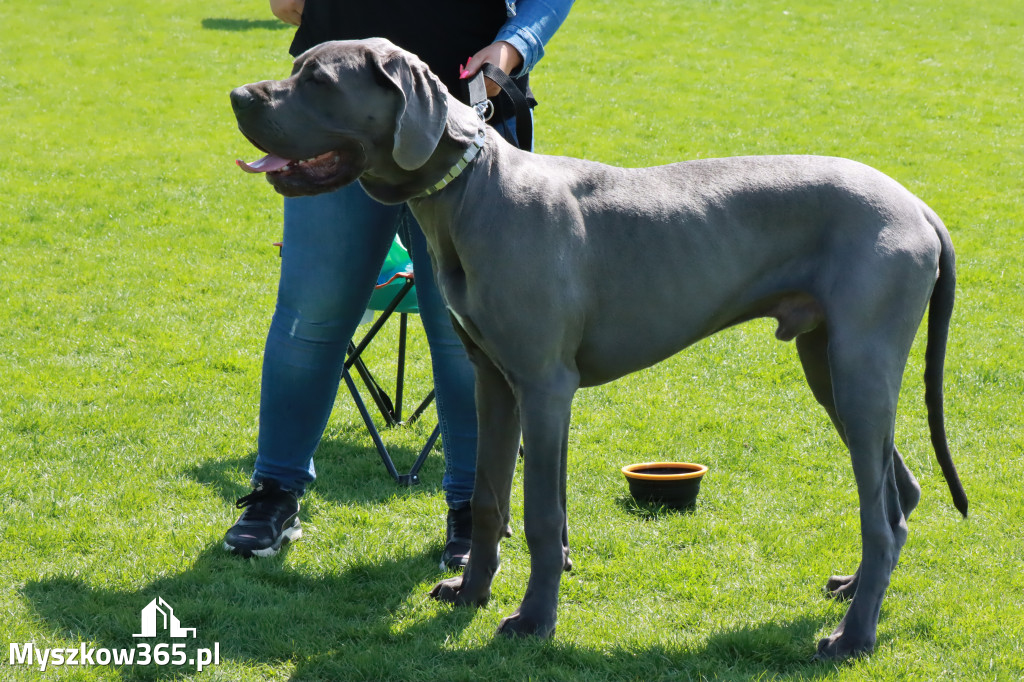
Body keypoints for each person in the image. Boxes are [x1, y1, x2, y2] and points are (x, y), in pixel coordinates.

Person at [224, 0, 574, 569]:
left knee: (467, 338)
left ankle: (474, 512)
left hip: (462, 116)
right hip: (332, 108)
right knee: (311, 317)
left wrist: (515, 44)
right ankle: (273, 496)